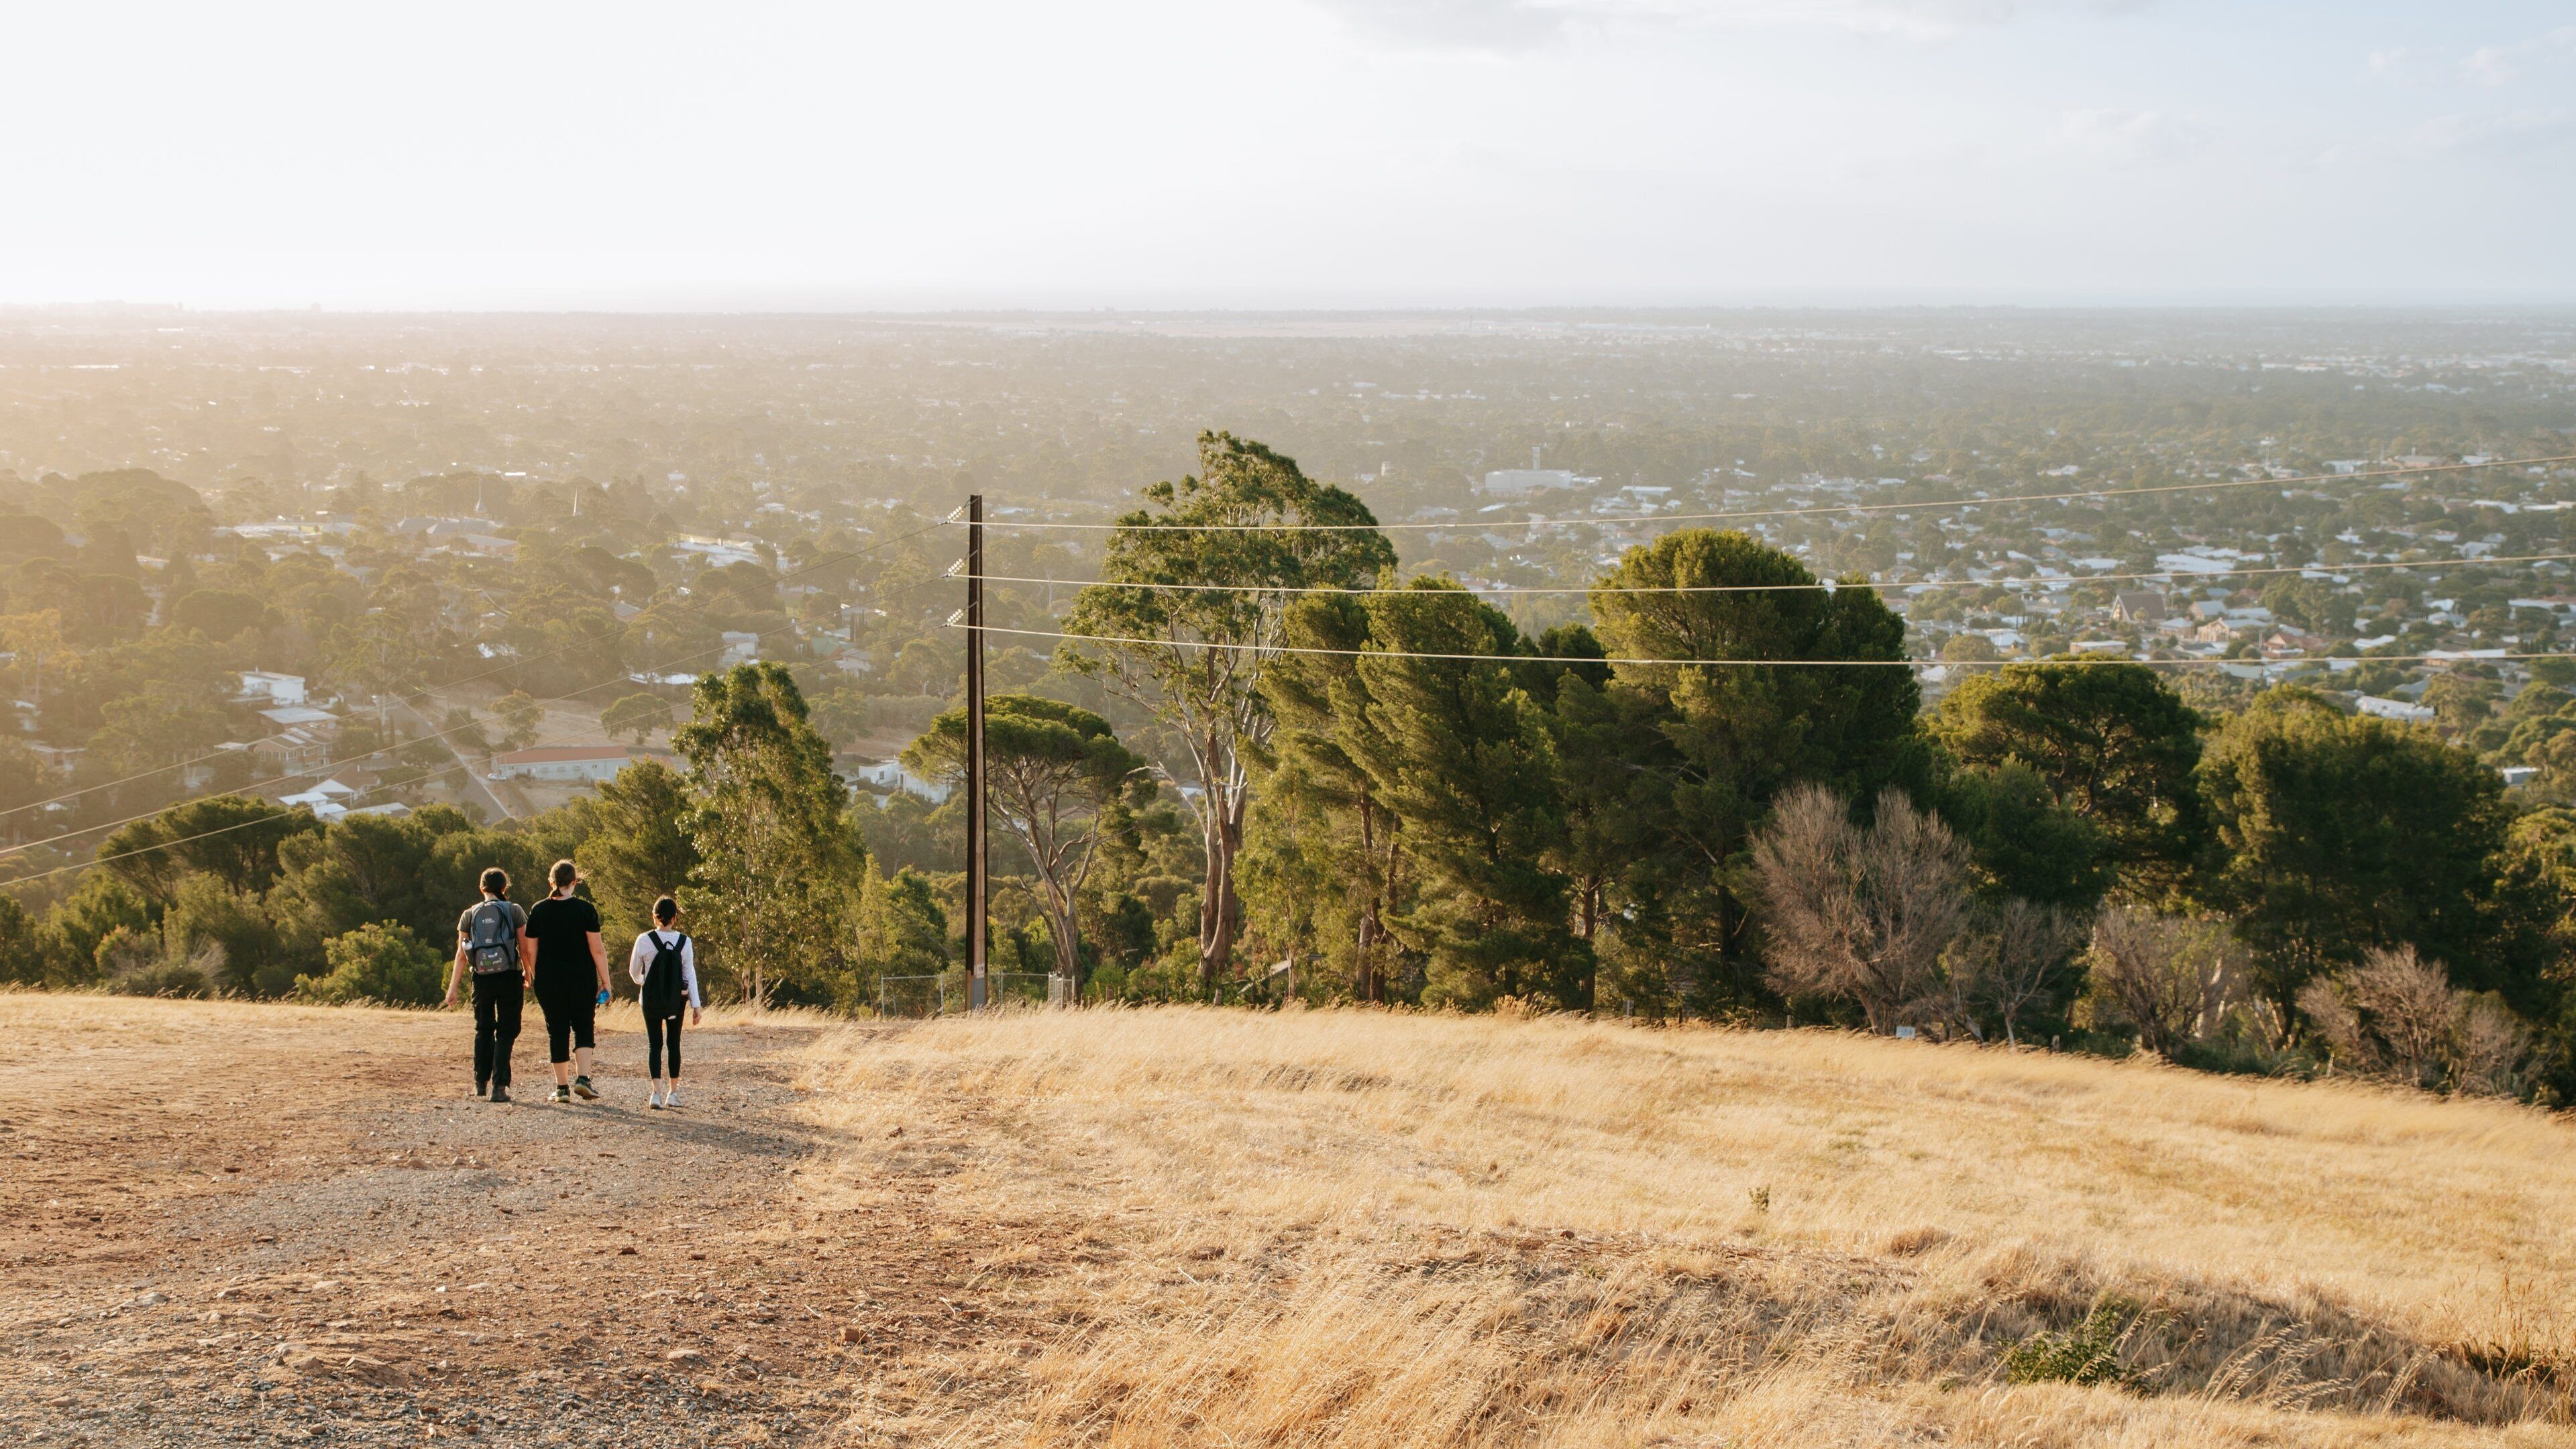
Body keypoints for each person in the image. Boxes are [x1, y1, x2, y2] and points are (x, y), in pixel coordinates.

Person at [525, 859, 612, 1104]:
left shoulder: (539, 910)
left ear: (551, 882)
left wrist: (535, 976)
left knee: (557, 1031)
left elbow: (532, 951)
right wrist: (606, 981)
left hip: (549, 981)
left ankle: (562, 1088)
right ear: (574, 883)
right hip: (581, 979)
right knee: (584, 1026)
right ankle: (583, 1080)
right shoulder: (586, 910)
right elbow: (597, 949)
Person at [444, 867, 530, 1104]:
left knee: (483, 1029)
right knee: (506, 1031)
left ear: (481, 888)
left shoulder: (469, 914)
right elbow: (525, 947)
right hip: (509, 976)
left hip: (481, 978)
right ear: (504, 888)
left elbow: (461, 955)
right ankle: (499, 1087)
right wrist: (528, 971)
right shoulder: (514, 910)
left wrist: (452, 989)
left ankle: (480, 1084)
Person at [627, 896, 702, 1110]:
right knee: (673, 1044)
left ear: (655, 916)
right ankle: (673, 1093)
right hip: (676, 1000)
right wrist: (696, 1005)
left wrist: (645, 984)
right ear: (675, 918)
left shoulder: (644, 940)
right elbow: (690, 974)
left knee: (654, 1044)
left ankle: (655, 1095)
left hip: (650, 1000)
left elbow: (634, 972)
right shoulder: (685, 942)